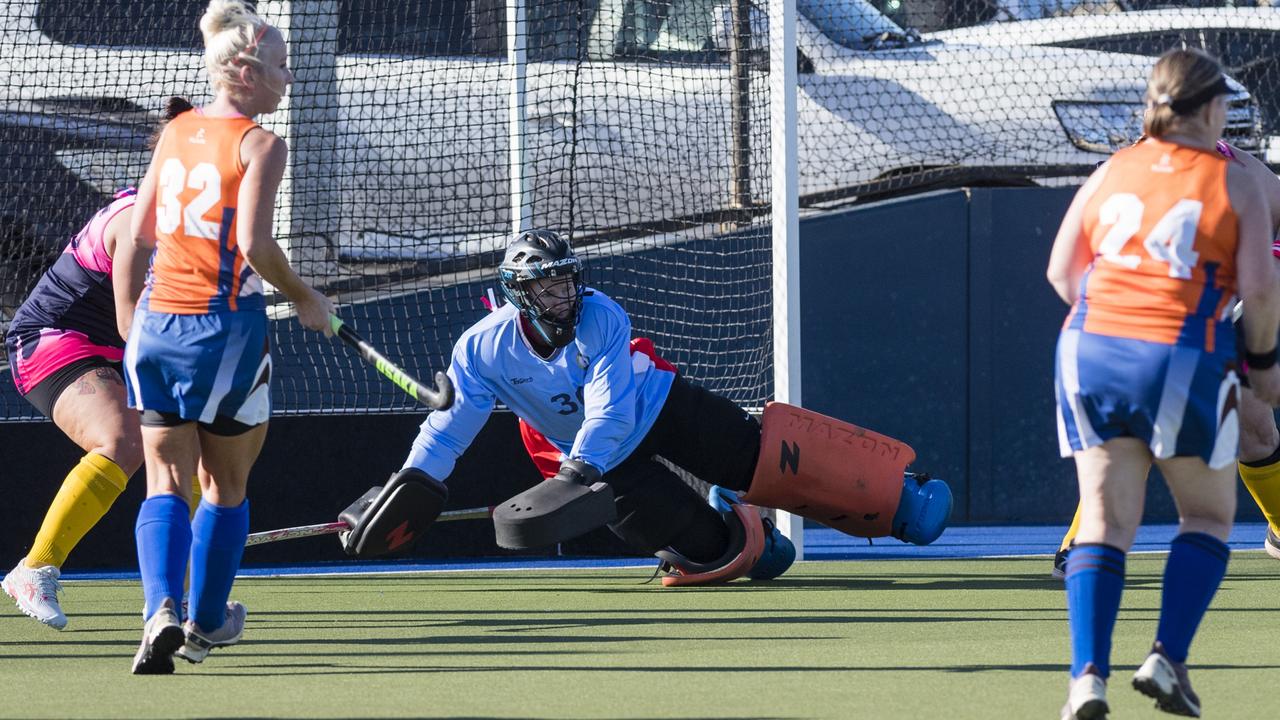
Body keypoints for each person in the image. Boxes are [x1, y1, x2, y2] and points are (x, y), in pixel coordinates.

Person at [397, 229, 952, 587]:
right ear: (519, 294)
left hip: (657, 407)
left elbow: (610, 410)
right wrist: (413, 483)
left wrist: (577, 470)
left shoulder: (601, 315)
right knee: (732, 556)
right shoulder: (481, 348)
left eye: (567, 283)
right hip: (597, 463)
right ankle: (743, 534)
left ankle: (896, 496)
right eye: (548, 289)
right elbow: (448, 431)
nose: (563, 298)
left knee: (772, 462)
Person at [1047, 48, 1280, 719]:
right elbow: (1261, 290)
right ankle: (1167, 658)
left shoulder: (1113, 167)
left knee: (1104, 520)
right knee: (1207, 515)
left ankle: (1085, 680)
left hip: (1086, 350)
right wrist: (1261, 366)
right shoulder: (1236, 180)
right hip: (1179, 352)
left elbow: (1063, 275)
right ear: (1211, 110)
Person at [116, 0, 333, 674]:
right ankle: (207, 619)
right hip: (224, 333)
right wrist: (304, 297)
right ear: (244, 70)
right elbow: (254, 244)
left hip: (155, 328)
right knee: (225, 482)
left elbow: (136, 235)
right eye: (280, 66)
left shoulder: (176, 129)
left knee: (164, 479)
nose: (288, 79)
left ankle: (160, 610)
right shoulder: (262, 144)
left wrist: (131, 328)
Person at [1, 99, 205, 631]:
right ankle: (34, 568)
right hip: (53, 339)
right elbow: (130, 319)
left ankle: (183, 602)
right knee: (125, 440)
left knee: (195, 455)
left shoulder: (201, 225)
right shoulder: (134, 221)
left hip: (116, 350)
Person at [1053, 141, 1280, 578]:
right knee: (1138, 426)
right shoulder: (1117, 172)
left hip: (1239, 297)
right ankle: (1085, 542)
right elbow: (1065, 271)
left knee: (1253, 427)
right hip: (1148, 320)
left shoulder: (1233, 176)